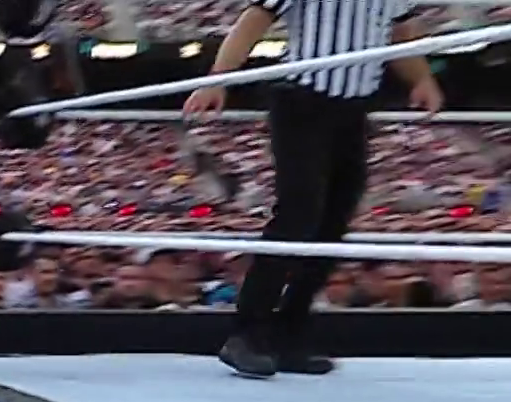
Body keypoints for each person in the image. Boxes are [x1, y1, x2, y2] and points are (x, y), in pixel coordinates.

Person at [187, 0, 440, 377]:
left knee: (335, 222)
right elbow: (255, 17)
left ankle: (289, 332)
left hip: (353, 109)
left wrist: (422, 79)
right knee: (298, 212)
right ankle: (247, 332)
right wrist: (219, 78)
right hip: (302, 101)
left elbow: (400, 30)